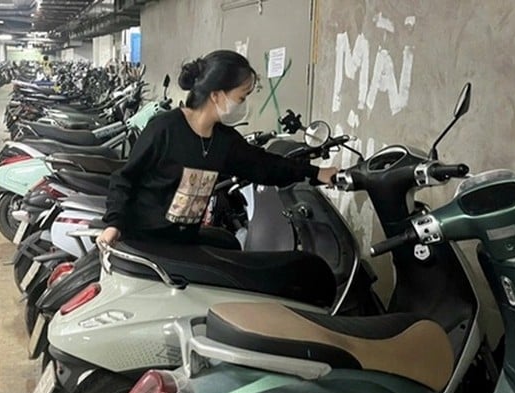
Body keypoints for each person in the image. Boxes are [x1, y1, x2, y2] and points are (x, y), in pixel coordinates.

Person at [97, 49, 337, 249]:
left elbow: (265, 165)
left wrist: (316, 173)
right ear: (216, 95)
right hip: (144, 241)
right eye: (241, 98)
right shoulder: (165, 128)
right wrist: (113, 224)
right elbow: (125, 178)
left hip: (182, 244)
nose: (244, 105)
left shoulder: (224, 141)